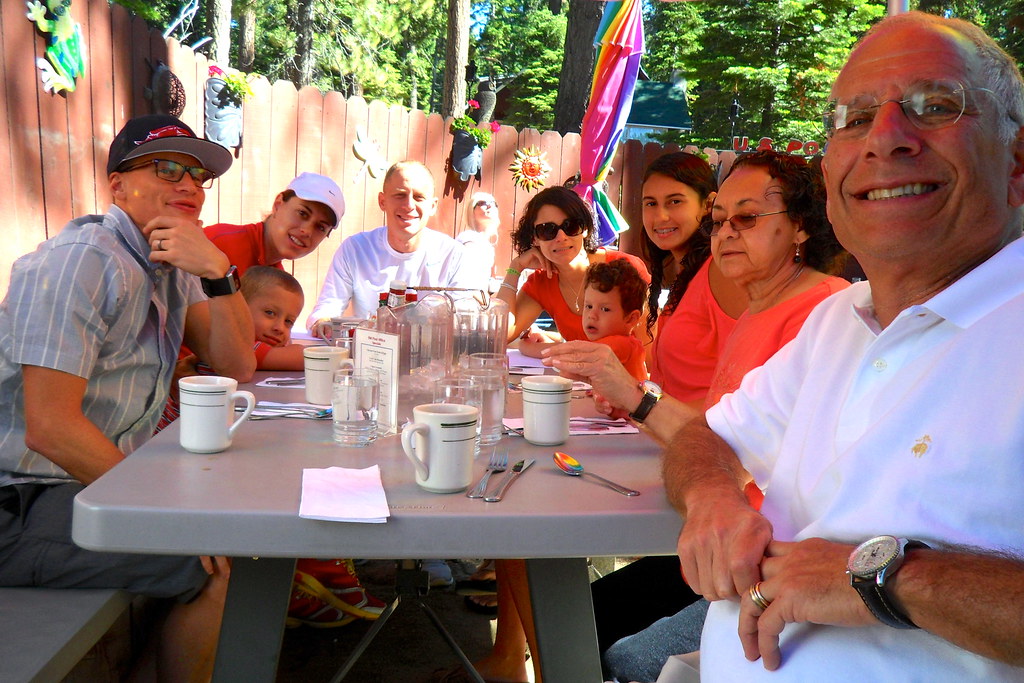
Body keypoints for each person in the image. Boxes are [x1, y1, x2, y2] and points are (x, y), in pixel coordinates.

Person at [650, 12, 1024, 680]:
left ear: (1017, 160)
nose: (885, 138)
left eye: (934, 106)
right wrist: (712, 497)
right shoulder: (841, 318)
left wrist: (882, 579)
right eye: (854, 120)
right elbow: (708, 437)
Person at [0, 114, 256, 682]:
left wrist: (218, 271)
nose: (189, 186)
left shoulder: (171, 264)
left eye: (198, 176)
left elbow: (237, 364)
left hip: (73, 488)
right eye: (168, 168)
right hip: (19, 503)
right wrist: (161, 516)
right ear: (118, 184)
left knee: (231, 512)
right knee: (207, 561)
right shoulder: (81, 263)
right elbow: (50, 428)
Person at [596, 149, 849, 682]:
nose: (726, 233)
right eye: (718, 221)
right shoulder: (759, 306)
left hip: (773, 562)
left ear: (801, 227)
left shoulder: (826, 312)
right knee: (589, 611)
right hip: (720, 542)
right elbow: (719, 433)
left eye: (748, 218)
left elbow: (748, 458)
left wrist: (635, 396)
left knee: (618, 646)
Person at [307, 160, 478, 331]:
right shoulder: (355, 249)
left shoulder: (454, 255)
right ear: (382, 201)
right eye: (400, 195)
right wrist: (322, 323)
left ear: (432, 206)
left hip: (432, 356)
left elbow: (464, 321)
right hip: (370, 353)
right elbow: (328, 307)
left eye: (419, 197)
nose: (409, 205)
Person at [639, 153, 747, 408]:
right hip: (671, 435)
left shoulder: (720, 272)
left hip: (707, 439)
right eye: (650, 203)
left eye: (674, 201)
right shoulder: (687, 274)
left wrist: (641, 406)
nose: (661, 216)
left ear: (709, 204)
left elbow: (742, 389)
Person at [497, 185, 650, 354]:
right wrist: (515, 268)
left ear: (585, 229)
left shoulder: (625, 268)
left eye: (571, 226)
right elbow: (500, 336)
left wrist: (553, 348)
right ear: (534, 238)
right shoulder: (541, 282)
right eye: (548, 230)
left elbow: (649, 351)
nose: (561, 237)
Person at [205, 171, 345, 277]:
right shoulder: (217, 242)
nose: (307, 231)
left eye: (320, 227)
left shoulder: (279, 282)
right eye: (302, 213)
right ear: (278, 204)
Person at [581, 259, 648, 382]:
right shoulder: (624, 343)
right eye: (588, 306)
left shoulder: (620, 344)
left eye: (605, 309)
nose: (592, 315)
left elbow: (576, 360)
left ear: (631, 318)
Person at [457, 191, 501, 289]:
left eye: (493, 203)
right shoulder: (469, 239)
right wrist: (486, 302)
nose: (489, 206)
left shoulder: (484, 242)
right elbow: (464, 281)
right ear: (471, 211)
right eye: (483, 203)